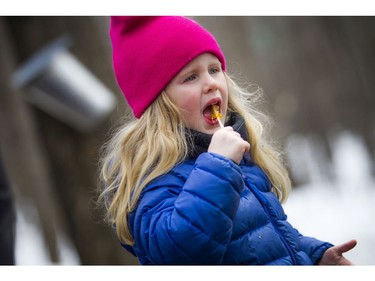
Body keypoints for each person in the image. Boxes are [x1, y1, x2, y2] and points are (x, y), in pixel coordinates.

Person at [99, 16, 357, 265]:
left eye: (214, 70)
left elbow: (266, 242)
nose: (211, 83)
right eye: (191, 77)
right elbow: (181, 251)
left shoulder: (241, 161)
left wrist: (313, 256)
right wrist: (219, 165)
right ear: (160, 105)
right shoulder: (154, 179)